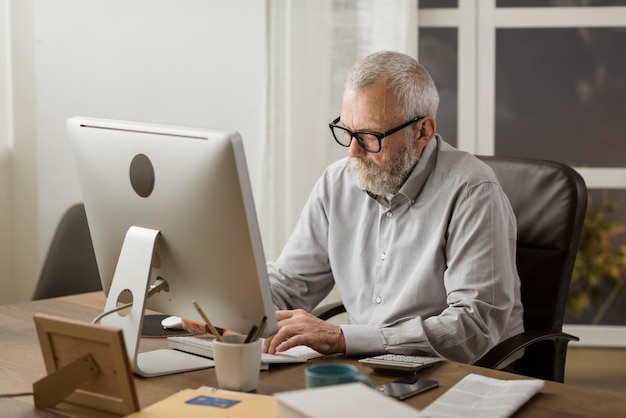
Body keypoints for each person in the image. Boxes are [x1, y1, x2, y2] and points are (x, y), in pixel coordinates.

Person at [186, 51, 524, 364]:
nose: (352, 152)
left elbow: (473, 327)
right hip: (369, 367)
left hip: (460, 373)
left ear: (423, 130)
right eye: (346, 132)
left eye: (369, 136)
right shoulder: (338, 182)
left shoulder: (474, 191)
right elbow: (291, 283)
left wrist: (341, 337)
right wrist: (227, 307)